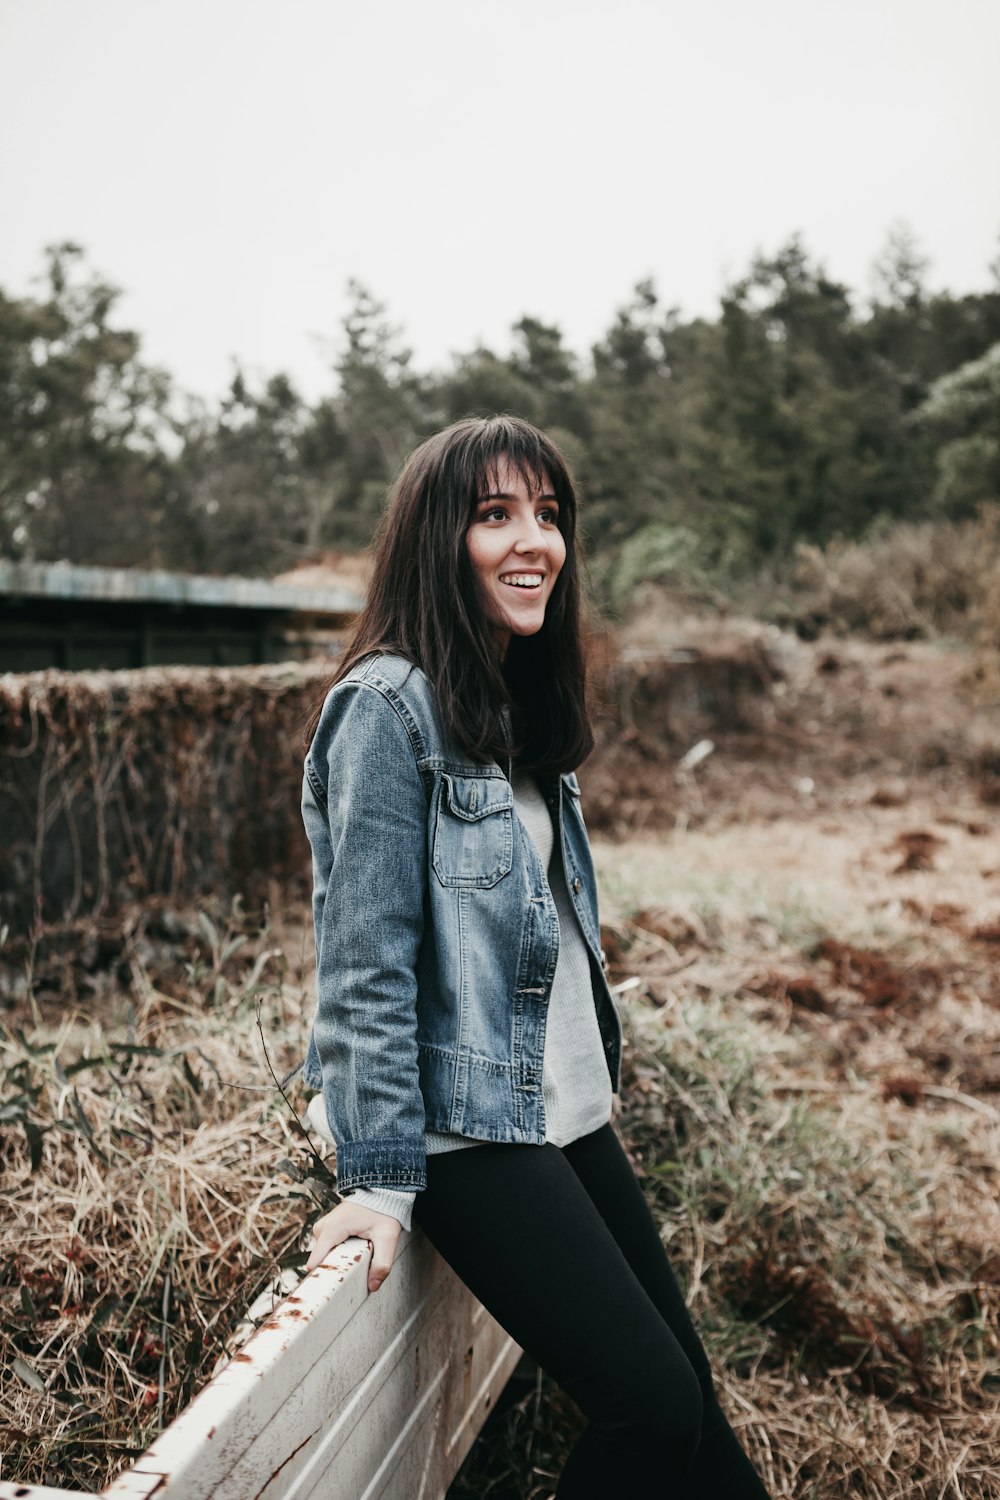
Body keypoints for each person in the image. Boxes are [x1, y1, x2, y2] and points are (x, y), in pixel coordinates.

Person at [298, 416, 771, 1498]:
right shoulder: (386, 708)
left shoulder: (503, 705)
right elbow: (363, 962)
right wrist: (376, 1181)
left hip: (556, 1109)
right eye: (494, 515)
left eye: (548, 515)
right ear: (436, 541)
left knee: (698, 1426)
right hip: (460, 1129)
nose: (534, 542)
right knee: (647, 1409)